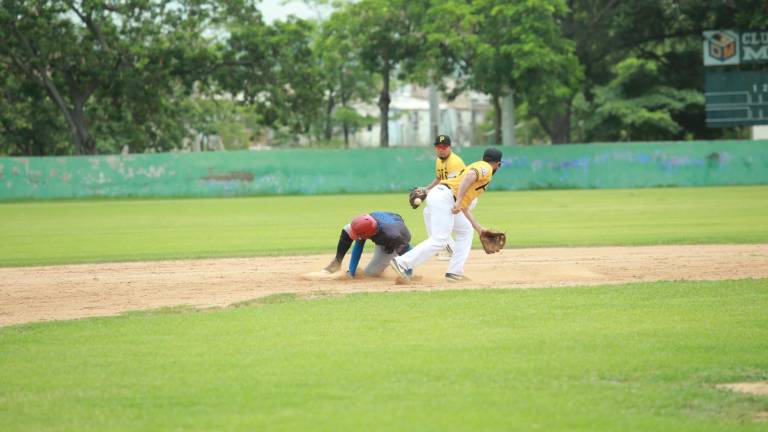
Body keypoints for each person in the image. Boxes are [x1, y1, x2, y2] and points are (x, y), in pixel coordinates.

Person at [390, 147, 503, 282]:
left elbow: (465, 207)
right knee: (440, 239)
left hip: (444, 196)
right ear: (498, 164)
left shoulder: (480, 172)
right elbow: (470, 175)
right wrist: (459, 200)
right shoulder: (486, 168)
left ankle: (454, 272)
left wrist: (479, 229)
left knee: (466, 230)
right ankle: (402, 262)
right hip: (444, 197)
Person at [417, 134, 466, 260]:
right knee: (428, 212)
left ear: (449, 147)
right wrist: (426, 189)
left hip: (461, 196)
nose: (441, 149)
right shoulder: (439, 160)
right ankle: (444, 247)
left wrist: (428, 192)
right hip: (448, 195)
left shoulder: (455, 162)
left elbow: (451, 186)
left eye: (444, 147)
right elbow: (439, 179)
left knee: (438, 216)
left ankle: (447, 248)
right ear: (435, 148)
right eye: (439, 147)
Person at [323, 212, 412, 278]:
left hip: (396, 241)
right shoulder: (368, 221)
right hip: (390, 225)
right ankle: (337, 262)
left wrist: (408, 275)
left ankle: (391, 258)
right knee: (347, 229)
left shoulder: (392, 237)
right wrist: (351, 272)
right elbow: (359, 244)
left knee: (370, 273)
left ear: (369, 234)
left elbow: (408, 251)